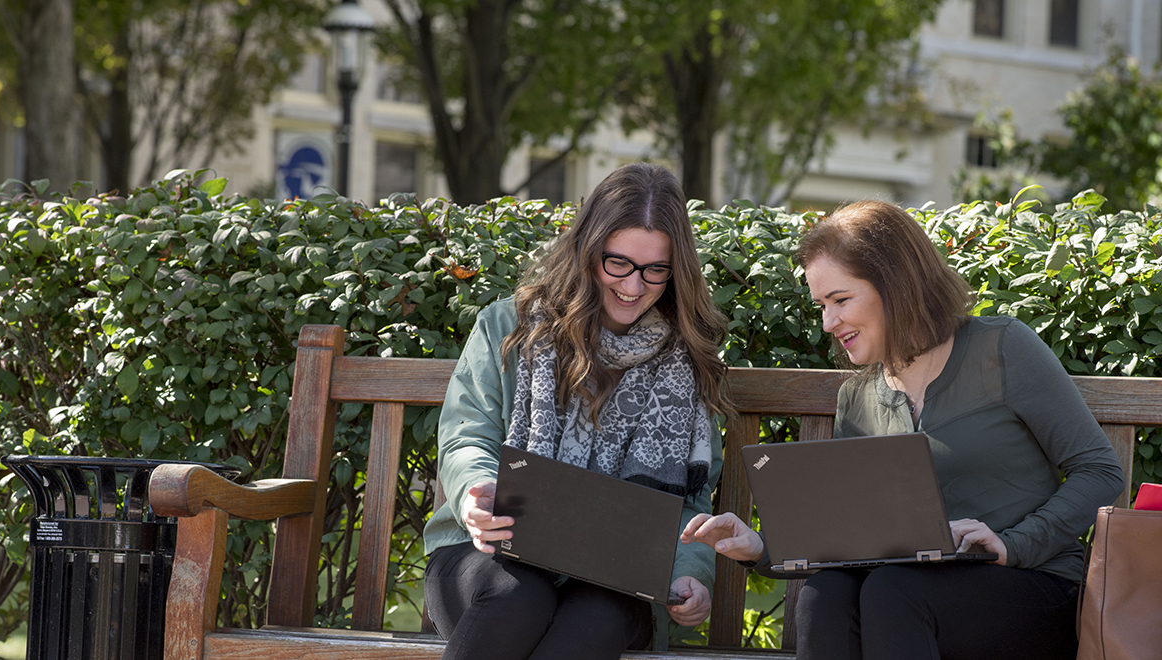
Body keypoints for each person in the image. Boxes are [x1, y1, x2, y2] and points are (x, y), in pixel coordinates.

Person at [682, 200, 1125, 660]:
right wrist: (759, 547)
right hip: (910, 597)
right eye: (821, 305)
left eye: (840, 300)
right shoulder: (857, 398)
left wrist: (1012, 545)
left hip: (1031, 587)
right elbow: (849, 539)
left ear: (895, 286)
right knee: (827, 593)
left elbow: (1100, 472)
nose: (828, 323)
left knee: (894, 591)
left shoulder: (1002, 349)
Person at [422, 163, 733, 660]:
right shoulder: (509, 326)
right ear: (588, 251)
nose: (634, 287)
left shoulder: (686, 363)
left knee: (591, 621)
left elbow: (690, 504)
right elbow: (468, 436)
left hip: (617, 577)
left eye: (656, 270)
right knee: (518, 597)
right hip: (490, 550)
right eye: (619, 264)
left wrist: (690, 573)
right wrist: (477, 496)